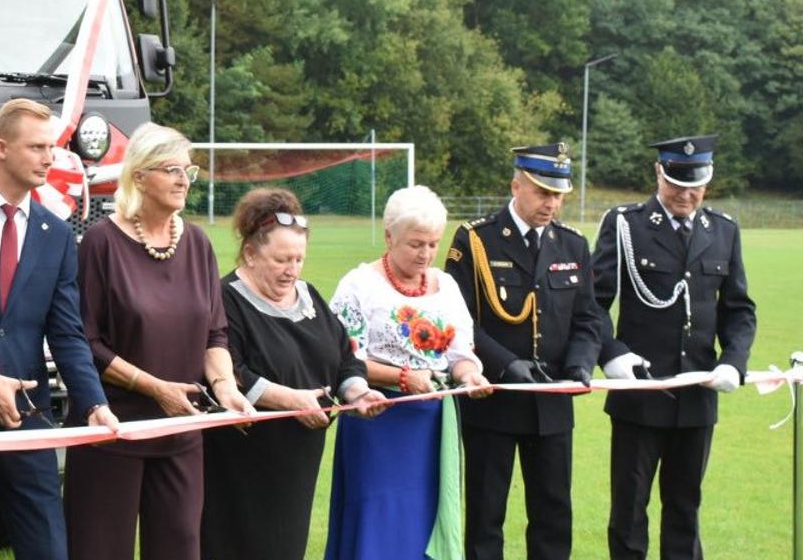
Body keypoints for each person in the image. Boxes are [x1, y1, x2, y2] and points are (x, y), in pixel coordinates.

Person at [0, 98, 121, 560]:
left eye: (51, 147)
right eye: (38, 147)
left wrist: (93, 402)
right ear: (2, 148)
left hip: (29, 414)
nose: (50, 158)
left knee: (49, 546)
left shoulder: (56, 232)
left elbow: (68, 332)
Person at [64, 123, 255, 560]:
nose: (184, 180)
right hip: (112, 430)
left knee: (180, 548)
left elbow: (215, 332)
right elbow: (86, 342)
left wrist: (226, 387)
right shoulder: (100, 243)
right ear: (139, 177)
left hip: (182, 431)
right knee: (100, 549)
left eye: (189, 170)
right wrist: (156, 389)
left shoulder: (198, 243)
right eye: (171, 169)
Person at [592, 135, 757, 560]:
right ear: (658, 173)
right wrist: (611, 353)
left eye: (695, 184)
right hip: (640, 394)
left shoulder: (723, 231)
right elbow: (591, 305)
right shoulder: (626, 225)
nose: (686, 194)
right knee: (629, 511)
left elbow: (739, 310)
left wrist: (734, 363)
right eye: (676, 182)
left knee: (685, 508)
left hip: (697, 396)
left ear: (708, 180)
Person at [445, 143, 610, 560]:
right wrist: (505, 364)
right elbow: (458, 319)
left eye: (558, 195)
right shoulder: (475, 239)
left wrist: (580, 364)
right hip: (492, 399)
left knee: (554, 516)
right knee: (486, 516)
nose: (551, 203)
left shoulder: (572, 244)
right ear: (516, 185)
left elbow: (589, 317)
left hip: (553, 401)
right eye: (542, 192)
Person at [202, 188, 387, 560]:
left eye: (299, 258)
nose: (292, 270)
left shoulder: (310, 296)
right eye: (282, 259)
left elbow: (343, 355)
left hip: (297, 461)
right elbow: (231, 371)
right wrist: (291, 400)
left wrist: (357, 391)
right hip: (242, 465)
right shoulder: (225, 299)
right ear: (251, 254)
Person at [325, 184, 491, 560]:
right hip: (376, 417)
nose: (426, 254)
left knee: (425, 520)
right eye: (416, 244)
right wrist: (400, 377)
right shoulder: (359, 285)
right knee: (377, 516)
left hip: (432, 425)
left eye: (433, 244)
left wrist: (468, 375)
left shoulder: (446, 286)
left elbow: (460, 352)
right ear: (389, 236)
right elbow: (341, 359)